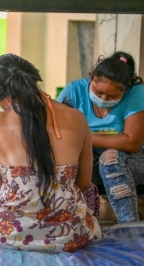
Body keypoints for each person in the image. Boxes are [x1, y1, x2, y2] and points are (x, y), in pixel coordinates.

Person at [0, 54, 103, 253]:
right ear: (34, 80)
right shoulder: (77, 118)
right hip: (70, 235)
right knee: (91, 191)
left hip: (8, 233)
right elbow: (83, 183)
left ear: (1, 96)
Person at [57, 51, 144, 223]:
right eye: (98, 91)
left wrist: (82, 136)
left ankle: (129, 226)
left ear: (126, 90)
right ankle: (66, 223)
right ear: (91, 77)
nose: (103, 98)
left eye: (112, 97)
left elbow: (132, 142)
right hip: (88, 160)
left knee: (110, 157)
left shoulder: (137, 93)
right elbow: (57, 132)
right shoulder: (74, 91)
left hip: (133, 161)